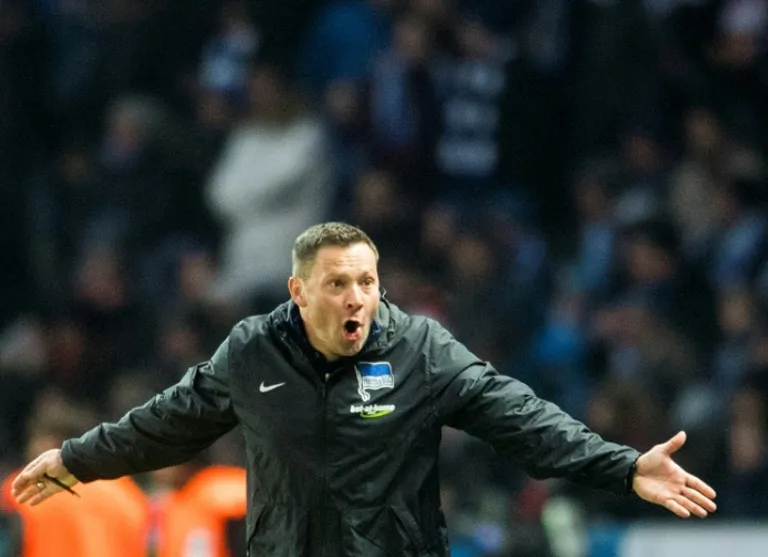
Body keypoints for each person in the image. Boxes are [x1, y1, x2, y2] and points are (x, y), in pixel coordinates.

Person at [11, 222, 717, 556]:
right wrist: (76, 457)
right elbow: (168, 421)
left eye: (368, 282)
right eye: (338, 283)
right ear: (299, 291)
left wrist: (624, 466)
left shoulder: (421, 350)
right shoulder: (253, 351)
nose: (358, 298)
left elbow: (522, 419)